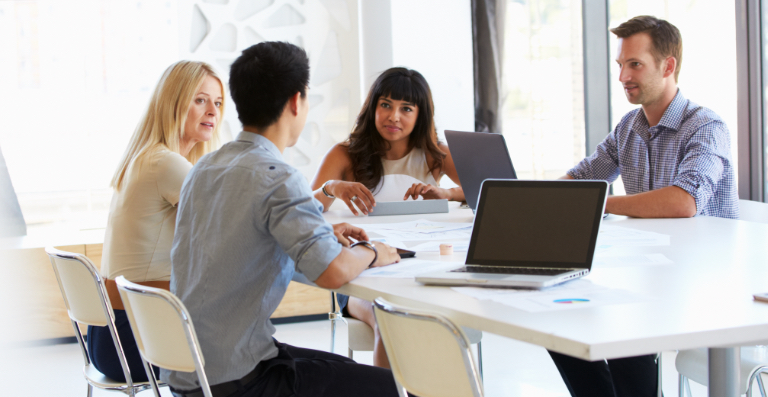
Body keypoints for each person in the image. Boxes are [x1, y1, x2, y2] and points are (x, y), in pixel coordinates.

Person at [164, 42, 403, 397]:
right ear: (296, 101)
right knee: (398, 389)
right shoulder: (277, 176)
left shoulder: (205, 167)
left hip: (190, 373)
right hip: (237, 381)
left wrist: (322, 235)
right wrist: (372, 251)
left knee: (348, 371)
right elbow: (333, 272)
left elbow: (243, 242)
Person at [549, 15, 738, 397]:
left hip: (701, 282)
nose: (623, 77)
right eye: (621, 65)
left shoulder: (705, 127)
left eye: (635, 65)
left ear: (668, 66)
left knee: (619, 327)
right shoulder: (629, 127)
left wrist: (596, 204)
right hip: (645, 276)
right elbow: (583, 176)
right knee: (558, 321)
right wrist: (536, 199)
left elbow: (684, 201)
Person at [310, 67, 465, 368]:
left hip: (421, 267)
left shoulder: (436, 154)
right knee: (391, 320)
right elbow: (306, 210)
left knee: (428, 322)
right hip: (360, 273)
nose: (394, 116)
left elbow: (481, 189)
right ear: (373, 108)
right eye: (386, 105)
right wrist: (332, 188)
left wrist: (447, 194)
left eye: (406, 108)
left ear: (420, 115)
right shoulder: (344, 154)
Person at [90, 60, 224, 382]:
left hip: (108, 336)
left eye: (218, 103)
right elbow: (236, 219)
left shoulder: (146, 158)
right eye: (200, 99)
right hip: (136, 339)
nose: (212, 112)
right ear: (173, 103)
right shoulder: (166, 164)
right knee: (250, 354)